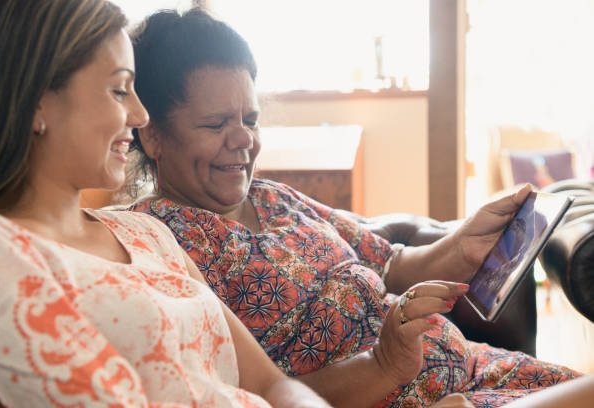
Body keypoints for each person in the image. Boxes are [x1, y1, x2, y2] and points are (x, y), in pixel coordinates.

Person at [125, 8, 589, 408]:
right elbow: (251, 395)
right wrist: (383, 364)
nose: (244, 139)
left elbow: (390, 264)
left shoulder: (273, 198)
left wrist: (463, 243)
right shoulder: (153, 242)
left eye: (250, 119)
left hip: (476, 369)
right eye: (216, 123)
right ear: (152, 134)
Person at [0, 0, 341, 406]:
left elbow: (268, 384)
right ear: (36, 102)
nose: (139, 115)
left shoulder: (146, 234)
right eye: (119, 89)